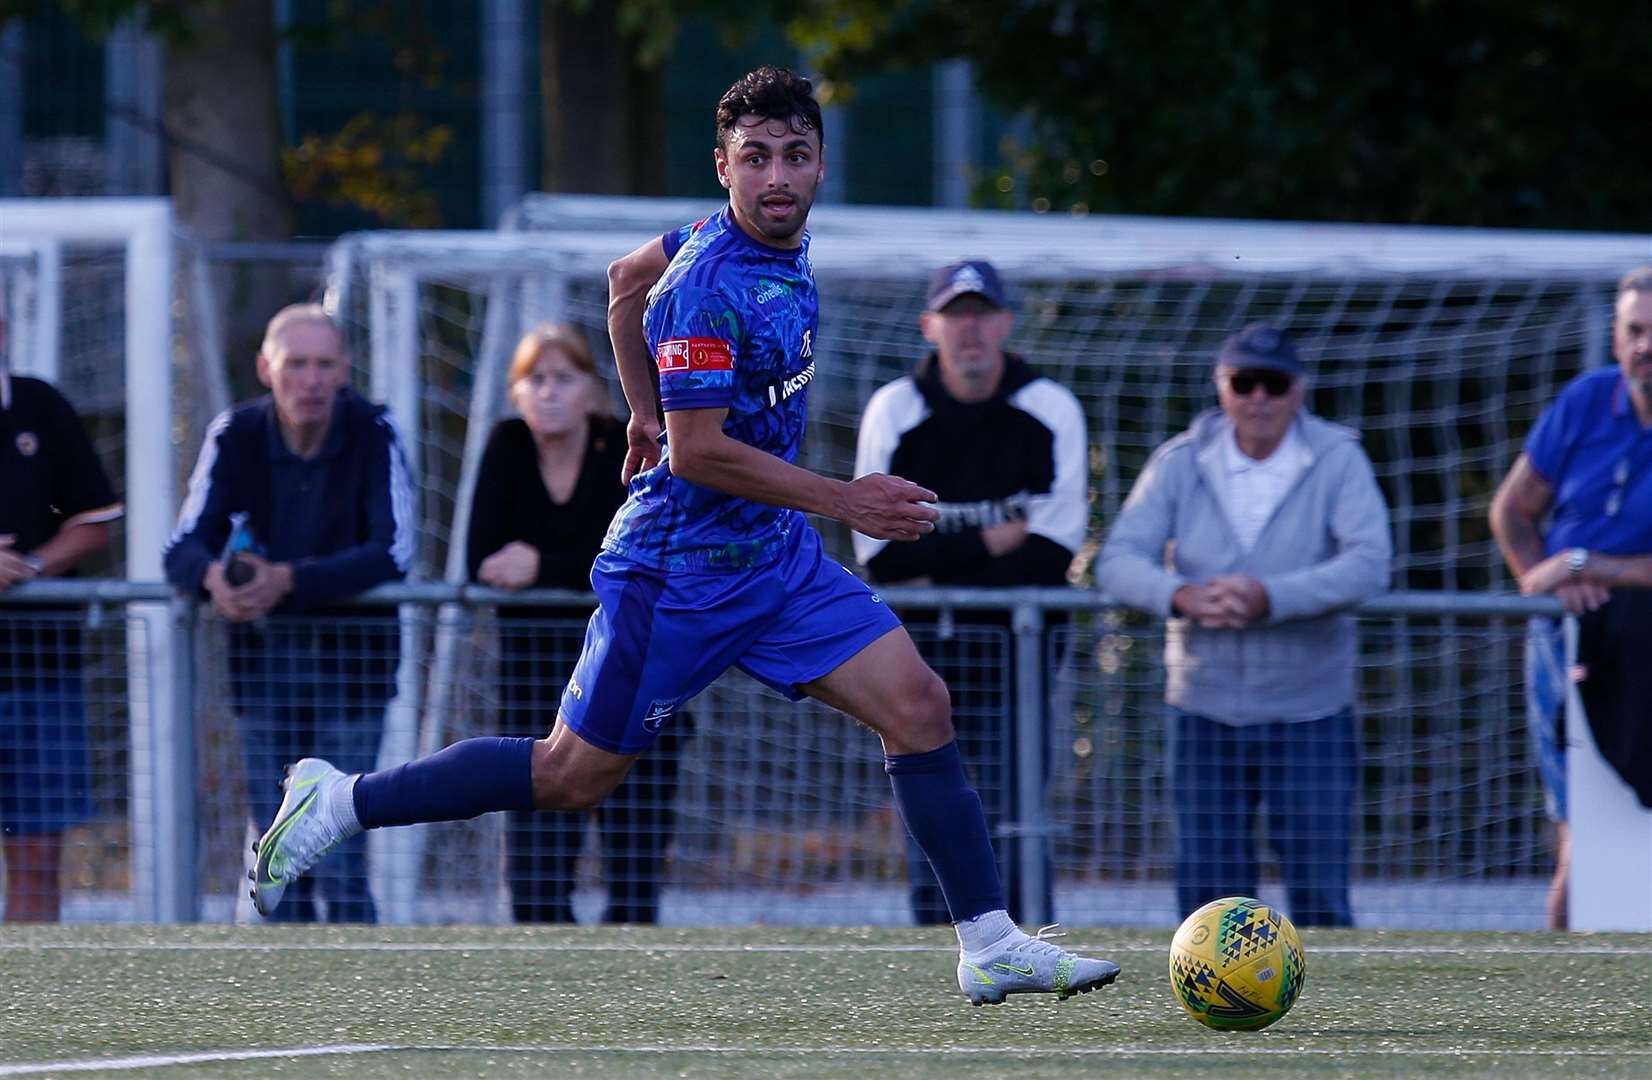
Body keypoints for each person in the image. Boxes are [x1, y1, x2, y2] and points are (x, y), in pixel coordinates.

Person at [249, 66, 1118, 1005]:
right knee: (570, 775)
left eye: (794, 156)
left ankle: (988, 941)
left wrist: (638, 415)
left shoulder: (725, 241)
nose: (776, 177)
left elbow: (622, 281)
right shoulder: (710, 283)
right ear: (723, 168)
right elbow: (703, 456)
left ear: (821, 164)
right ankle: (340, 799)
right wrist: (842, 498)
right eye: (755, 160)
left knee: (919, 706)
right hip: (677, 577)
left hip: (774, 562)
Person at [1098, 323, 1392, 928]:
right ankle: (1210, 1019)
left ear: (1299, 390)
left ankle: (1339, 1019)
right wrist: (1180, 595)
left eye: (1274, 383)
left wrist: (1270, 597)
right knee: (1208, 906)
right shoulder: (1180, 461)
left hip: (1310, 711)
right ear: (1221, 388)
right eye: (1244, 382)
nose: (1259, 397)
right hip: (1203, 709)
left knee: (1320, 897)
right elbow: (1119, 559)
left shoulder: (1338, 457)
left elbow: (1370, 563)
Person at [852, 259, 1088, 925]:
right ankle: (940, 948)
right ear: (931, 326)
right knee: (932, 809)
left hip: (1021, 652)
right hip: (919, 653)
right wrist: (991, 543)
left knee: (1018, 816)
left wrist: (940, 563)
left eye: (983, 313)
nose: (971, 330)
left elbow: (1053, 552)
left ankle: (1033, 939)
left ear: (1007, 322)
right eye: (956, 315)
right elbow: (881, 555)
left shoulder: (1050, 409)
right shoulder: (896, 411)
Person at [164, 303, 414, 924]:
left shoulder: (375, 431)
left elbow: (395, 551)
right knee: (276, 862)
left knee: (339, 857)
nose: (311, 379)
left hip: (353, 676)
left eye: (324, 364)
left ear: (345, 369)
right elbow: (181, 548)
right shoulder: (235, 434)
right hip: (261, 673)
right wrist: (214, 579)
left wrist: (289, 581)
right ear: (265, 369)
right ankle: (284, 1010)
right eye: (296, 363)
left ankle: (361, 1005)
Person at [468, 323, 692, 924]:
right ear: (516, 392)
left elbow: (635, 557)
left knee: (633, 867)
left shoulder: (625, 452)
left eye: (563, 378)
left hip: (630, 670)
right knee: (538, 878)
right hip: (534, 683)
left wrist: (541, 563)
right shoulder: (507, 447)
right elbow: (480, 557)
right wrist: (572, 567)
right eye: (534, 379)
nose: (548, 392)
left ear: (594, 389)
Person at [1490, 265, 1652, 931]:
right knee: (1578, 830)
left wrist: (1592, 565)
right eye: (1635, 331)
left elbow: (1591, 560)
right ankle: (1561, 991)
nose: (1646, 346)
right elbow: (1511, 512)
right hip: (1568, 642)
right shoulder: (1587, 402)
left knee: (1615, 842)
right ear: (1615, 339)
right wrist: (1542, 581)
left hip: (1643, 645)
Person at [0, 323, 123, 922]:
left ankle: (23, 998)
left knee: (36, 852)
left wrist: (26, 567)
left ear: (3, 329)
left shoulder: (41, 407)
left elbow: (95, 520)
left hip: (39, 671)